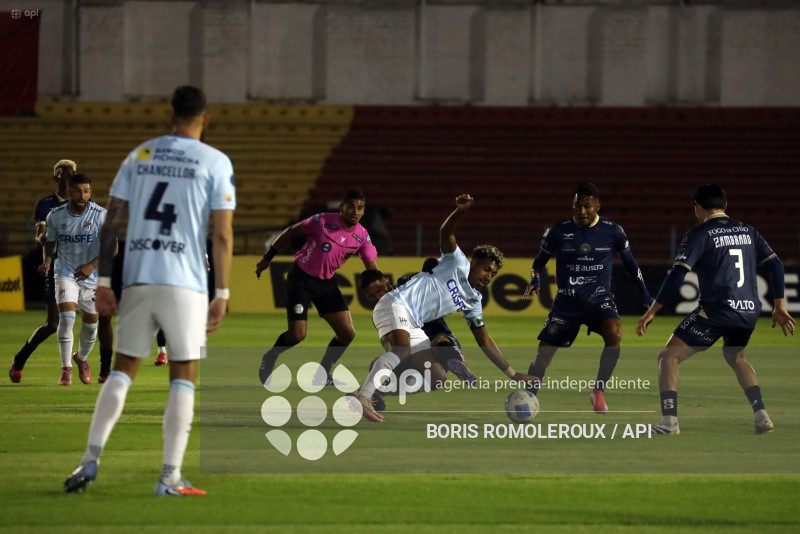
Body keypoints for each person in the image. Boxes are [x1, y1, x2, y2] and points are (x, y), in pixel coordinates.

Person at [64, 85, 235, 496]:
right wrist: (223, 292)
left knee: (122, 370)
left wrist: (104, 282)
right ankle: (169, 477)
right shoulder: (215, 160)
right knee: (184, 374)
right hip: (187, 283)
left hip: (139, 277)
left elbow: (111, 223)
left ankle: (89, 459)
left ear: (168, 116)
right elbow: (223, 234)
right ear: (206, 119)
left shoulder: (139, 155)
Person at [350, 194, 536, 423]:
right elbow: (445, 233)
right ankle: (364, 397)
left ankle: (375, 388)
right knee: (401, 350)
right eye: (487, 269)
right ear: (474, 261)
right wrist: (459, 212)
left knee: (436, 377)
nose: (489, 276)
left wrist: (513, 373)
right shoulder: (456, 262)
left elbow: (485, 340)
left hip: (414, 322)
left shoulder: (473, 300)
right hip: (396, 304)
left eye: (494, 274)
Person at [636, 184, 795, 435]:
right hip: (749, 311)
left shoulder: (700, 234)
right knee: (736, 357)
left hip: (717, 311)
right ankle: (762, 416)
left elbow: (678, 275)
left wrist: (653, 310)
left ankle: (669, 422)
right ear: (725, 205)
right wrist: (779, 306)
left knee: (668, 357)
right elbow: (776, 266)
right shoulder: (748, 231)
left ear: (697, 207)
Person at [522, 182, 652, 413]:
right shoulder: (557, 232)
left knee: (615, 333)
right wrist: (535, 279)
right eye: (578, 206)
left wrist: (645, 296)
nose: (582, 211)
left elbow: (632, 266)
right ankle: (529, 395)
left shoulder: (613, 231)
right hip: (566, 303)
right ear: (572, 206)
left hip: (599, 301)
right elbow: (539, 262)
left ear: (597, 206)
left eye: (587, 206)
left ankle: (598, 391)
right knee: (542, 358)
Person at [255, 189, 378, 386]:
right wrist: (267, 258)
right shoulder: (321, 221)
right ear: (341, 208)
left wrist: (379, 286)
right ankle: (270, 356)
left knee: (347, 334)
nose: (355, 211)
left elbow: (371, 266)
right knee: (297, 335)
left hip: (326, 283)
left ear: (363, 211)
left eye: (360, 208)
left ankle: (322, 374)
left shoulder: (362, 235)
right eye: (351, 206)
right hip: (301, 278)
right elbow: (290, 232)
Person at [359, 260, 478, 411]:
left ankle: (378, 388)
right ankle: (369, 393)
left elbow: (424, 274)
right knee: (406, 354)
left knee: (438, 374)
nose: (377, 297)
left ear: (387, 282)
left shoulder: (409, 285)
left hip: (424, 327)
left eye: (379, 291)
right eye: (372, 295)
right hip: (407, 325)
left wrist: (430, 269)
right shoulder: (389, 304)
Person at [40, 173, 108, 385]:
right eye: (78, 191)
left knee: (91, 326)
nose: (82, 195)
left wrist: (91, 265)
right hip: (65, 272)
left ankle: (81, 358)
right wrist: (48, 260)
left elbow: (112, 247)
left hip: (92, 275)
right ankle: (65, 369)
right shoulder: (55, 216)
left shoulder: (101, 215)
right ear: (68, 192)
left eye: (86, 191)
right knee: (67, 318)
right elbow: (50, 243)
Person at [9, 160, 72, 383]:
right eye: (63, 172)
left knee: (97, 317)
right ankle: (20, 358)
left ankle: (83, 361)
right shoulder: (46, 205)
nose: (68, 175)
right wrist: (43, 240)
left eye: (71, 172)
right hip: (57, 267)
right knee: (53, 324)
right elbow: (40, 235)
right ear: (56, 177)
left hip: (79, 267)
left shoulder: (83, 202)